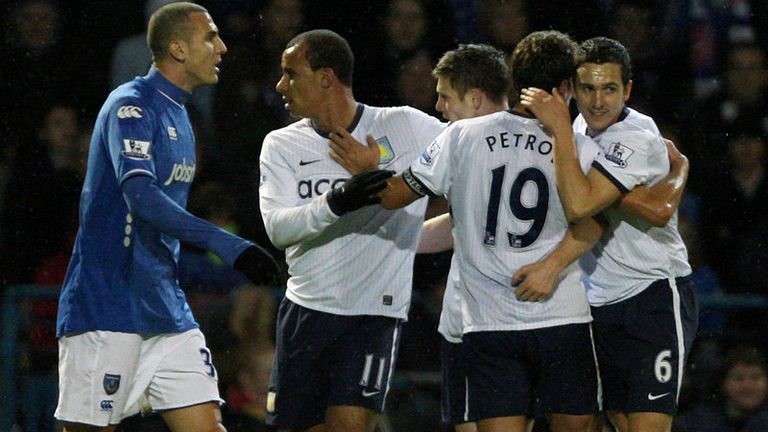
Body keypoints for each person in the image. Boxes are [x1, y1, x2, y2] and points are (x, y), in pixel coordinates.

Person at [335, 30, 603, 432]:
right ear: (567, 86)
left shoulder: (461, 136)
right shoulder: (584, 146)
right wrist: (551, 267)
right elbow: (593, 221)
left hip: (488, 323)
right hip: (560, 315)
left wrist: (369, 172)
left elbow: (393, 197)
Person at [54, 3, 280, 431]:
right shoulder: (130, 107)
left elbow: (164, 229)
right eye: (210, 37)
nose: (223, 47)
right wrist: (229, 246)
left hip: (166, 310)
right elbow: (142, 198)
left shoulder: (181, 115)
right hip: (108, 306)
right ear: (177, 48)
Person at [257, 29, 445, 432]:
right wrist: (337, 201)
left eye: (291, 73)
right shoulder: (281, 145)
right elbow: (277, 228)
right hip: (306, 311)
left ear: (326, 77)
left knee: (350, 425)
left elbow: (471, 149)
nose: (281, 86)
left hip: (373, 314)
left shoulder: (406, 126)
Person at [520, 36, 698, 432]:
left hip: (652, 295)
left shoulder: (634, 136)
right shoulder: (580, 128)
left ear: (628, 90)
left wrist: (562, 133)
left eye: (610, 89)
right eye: (588, 88)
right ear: (572, 88)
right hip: (596, 302)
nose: (598, 101)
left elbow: (583, 206)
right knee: (611, 421)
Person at [673, 345, 768, 431]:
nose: (747, 386)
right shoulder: (698, 422)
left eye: (755, 378)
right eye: (738, 378)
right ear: (723, 383)